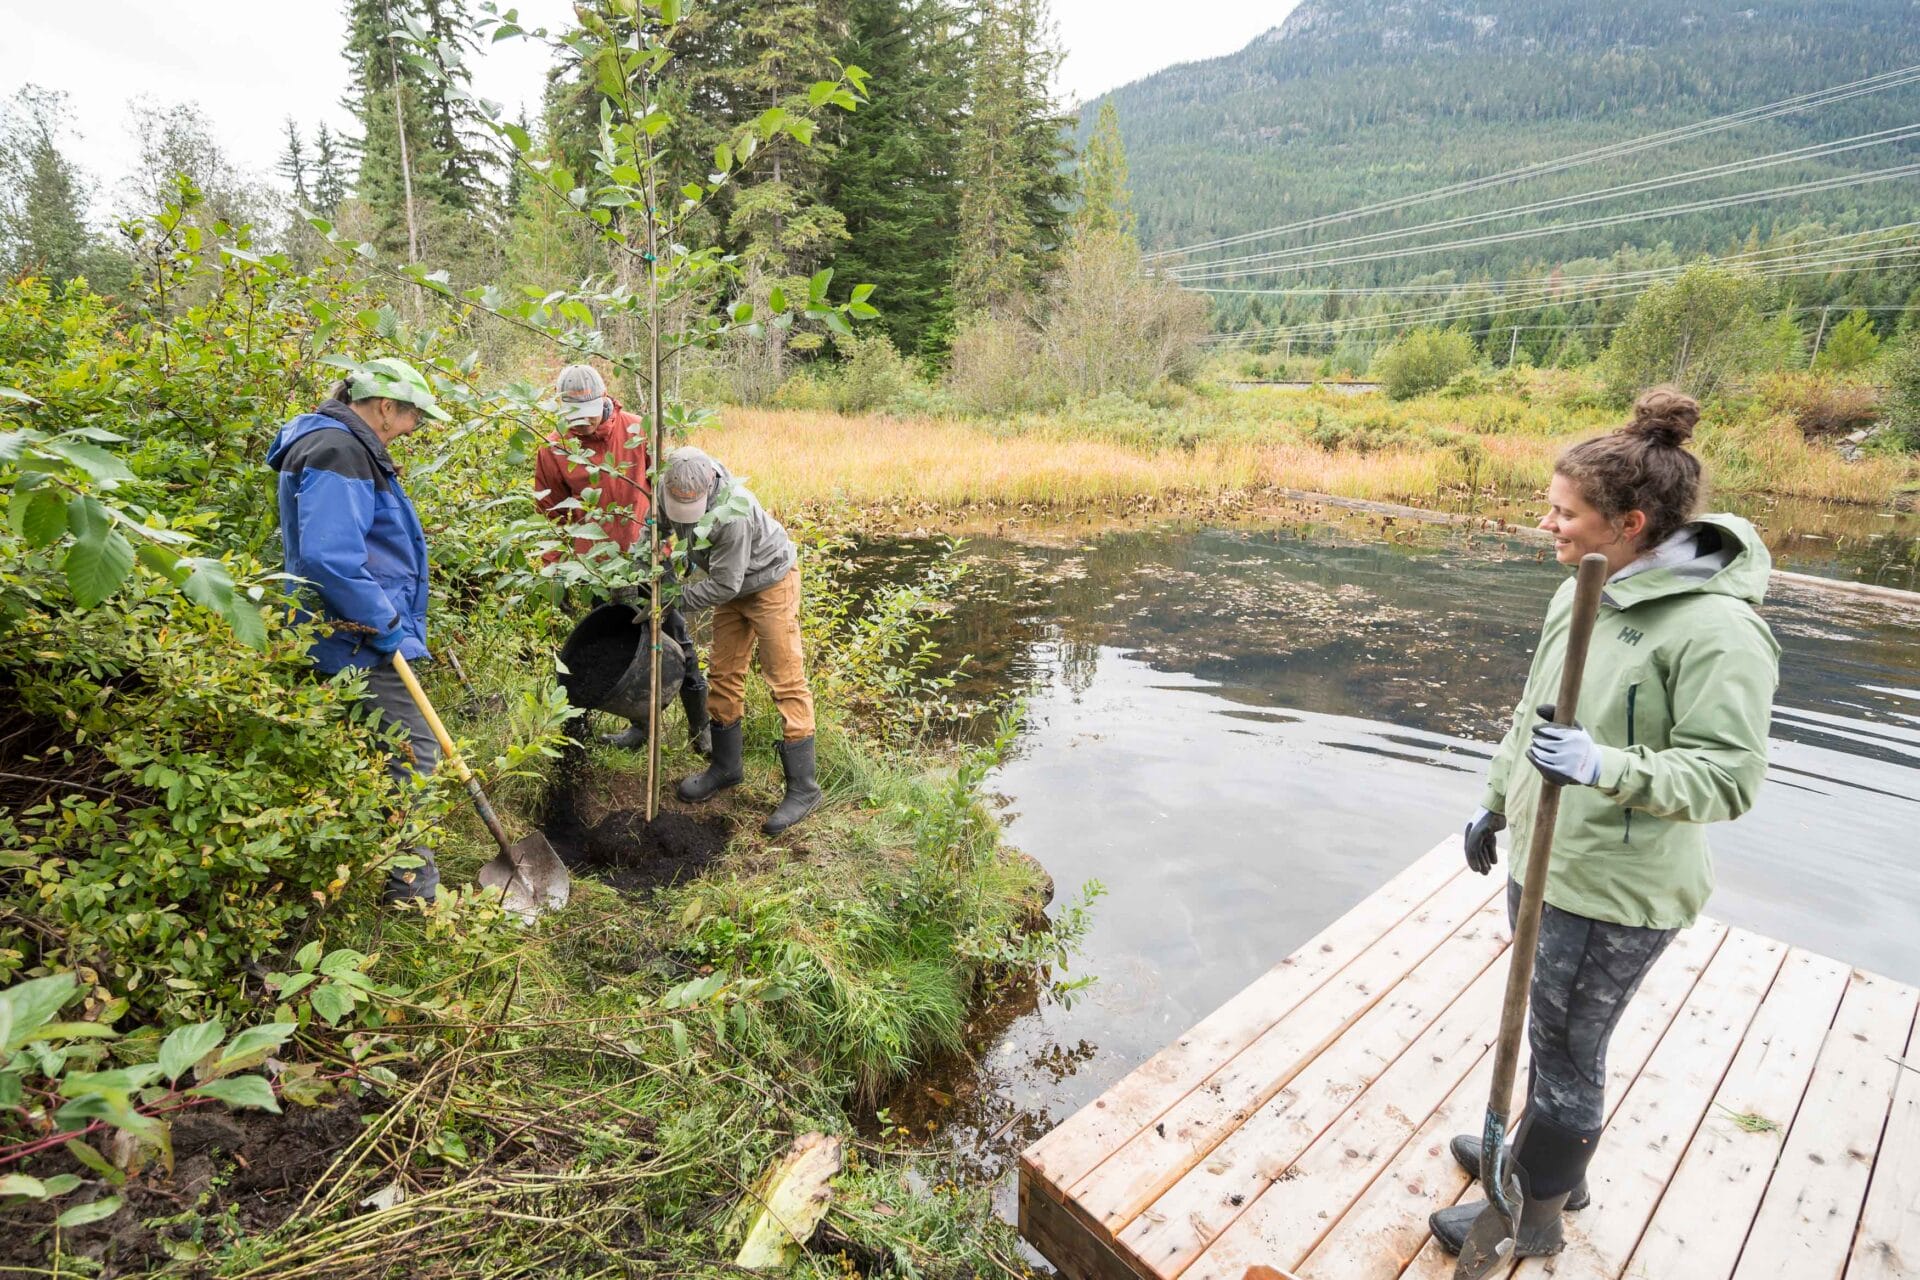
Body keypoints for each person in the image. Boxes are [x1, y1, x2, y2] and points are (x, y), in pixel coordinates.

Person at [1431, 387, 1780, 1259]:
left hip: (1616, 891)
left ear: (1629, 523)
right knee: (1544, 1034)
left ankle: (1534, 1219)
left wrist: (1602, 764)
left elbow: (1728, 779)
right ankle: (1549, 1165)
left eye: (1565, 513)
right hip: (1548, 860)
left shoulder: (1716, 630)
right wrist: (1495, 797)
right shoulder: (1586, 590)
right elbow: (1532, 715)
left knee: (1569, 1053)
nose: (1547, 525)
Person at [266, 358, 451, 905]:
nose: (415, 427)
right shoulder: (339, 450)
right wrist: (385, 622)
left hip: (341, 629)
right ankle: (412, 894)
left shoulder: (335, 444)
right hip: (354, 636)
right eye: (413, 415)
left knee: (354, 756)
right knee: (414, 759)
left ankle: (335, 875)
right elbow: (329, 557)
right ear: (385, 407)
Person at [534, 363, 710, 756]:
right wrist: (556, 568)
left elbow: (674, 489)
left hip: (650, 556)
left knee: (677, 638)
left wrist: (678, 550)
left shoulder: (639, 430)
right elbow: (552, 515)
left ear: (605, 401)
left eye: (586, 416)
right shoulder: (554, 447)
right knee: (620, 647)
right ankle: (640, 728)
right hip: (598, 566)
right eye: (571, 418)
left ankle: (703, 731)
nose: (579, 426)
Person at [659, 446, 822, 835]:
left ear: (709, 488)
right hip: (729, 586)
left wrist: (672, 598)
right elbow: (657, 533)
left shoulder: (735, 509)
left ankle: (804, 788)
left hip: (769, 583)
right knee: (724, 673)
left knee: (785, 679)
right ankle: (726, 768)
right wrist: (656, 567)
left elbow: (726, 584)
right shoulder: (666, 487)